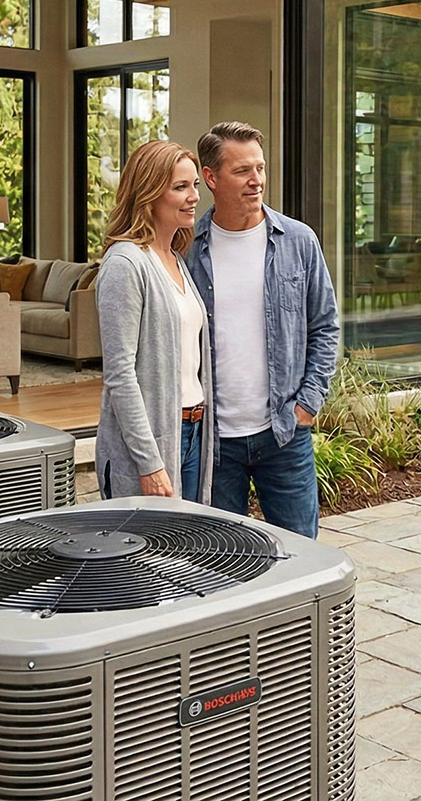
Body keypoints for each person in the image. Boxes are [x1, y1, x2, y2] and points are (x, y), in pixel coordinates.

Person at [187, 121, 339, 537]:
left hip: (284, 434)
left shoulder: (298, 241)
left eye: (261, 168)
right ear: (211, 178)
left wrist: (308, 403)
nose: (256, 181)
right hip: (214, 442)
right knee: (219, 559)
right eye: (242, 171)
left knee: (301, 555)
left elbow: (325, 325)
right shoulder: (184, 249)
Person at [94, 140, 215, 504]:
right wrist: (149, 462)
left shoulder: (177, 259)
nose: (194, 196)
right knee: (148, 558)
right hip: (156, 440)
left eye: (194, 185)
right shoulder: (126, 264)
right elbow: (119, 373)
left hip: (193, 432)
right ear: (148, 193)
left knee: (188, 553)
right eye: (180, 187)